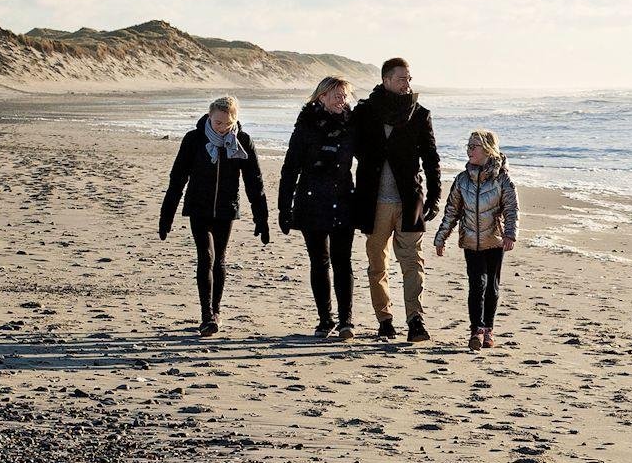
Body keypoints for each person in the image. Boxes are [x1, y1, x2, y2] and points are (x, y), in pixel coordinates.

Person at [159, 96, 270, 337]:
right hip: (198, 208)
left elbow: (255, 183)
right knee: (205, 256)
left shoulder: (242, 142)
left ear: (234, 120)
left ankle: (215, 312)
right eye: (217, 122)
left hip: (226, 209)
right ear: (209, 116)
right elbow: (177, 179)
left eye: (226, 124)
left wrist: (262, 218)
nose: (221, 127)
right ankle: (206, 314)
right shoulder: (194, 139)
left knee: (219, 258)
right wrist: (166, 216)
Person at [350, 58, 441, 342]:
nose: (407, 84)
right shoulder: (364, 112)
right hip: (374, 202)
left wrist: (435, 197)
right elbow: (348, 149)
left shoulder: (419, 114)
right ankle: (384, 320)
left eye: (409, 79)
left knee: (412, 263)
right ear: (387, 79)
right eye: (402, 79)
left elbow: (431, 159)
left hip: (408, 201)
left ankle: (416, 320)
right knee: (377, 265)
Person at [279, 76, 359, 339]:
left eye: (345, 95)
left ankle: (346, 320)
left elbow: (371, 161)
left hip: (343, 200)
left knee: (342, 261)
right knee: (319, 262)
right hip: (311, 201)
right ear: (321, 97)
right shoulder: (305, 127)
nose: (341, 100)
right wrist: (284, 208)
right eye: (336, 95)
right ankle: (325, 319)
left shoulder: (352, 126)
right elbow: (290, 168)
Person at [434, 130, 519, 350]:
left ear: (488, 150)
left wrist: (510, 234)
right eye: (468, 146)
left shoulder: (502, 179)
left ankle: (488, 329)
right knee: (476, 284)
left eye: (475, 146)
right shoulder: (463, 180)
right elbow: (451, 211)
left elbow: (511, 209)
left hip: (495, 239)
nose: (470, 150)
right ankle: (476, 330)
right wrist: (441, 237)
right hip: (471, 240)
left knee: (491, 285)